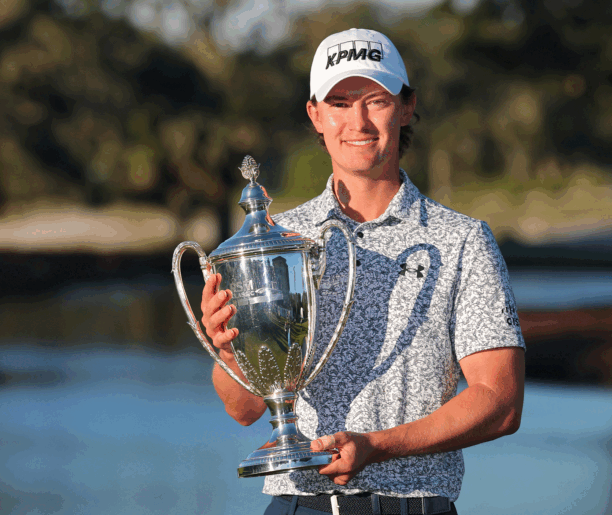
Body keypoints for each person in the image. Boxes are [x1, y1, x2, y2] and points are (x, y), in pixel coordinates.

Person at [200, 28, 525, 515]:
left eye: (375, 100)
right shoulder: (273, 240)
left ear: (407, 105)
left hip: (416, 506)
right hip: (299, 506)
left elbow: (500, 401)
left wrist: (379, 445)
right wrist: (228, 348)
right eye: (339, 102)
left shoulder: (462, 240)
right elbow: (243, 408)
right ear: (315, 115)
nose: (358, 121)